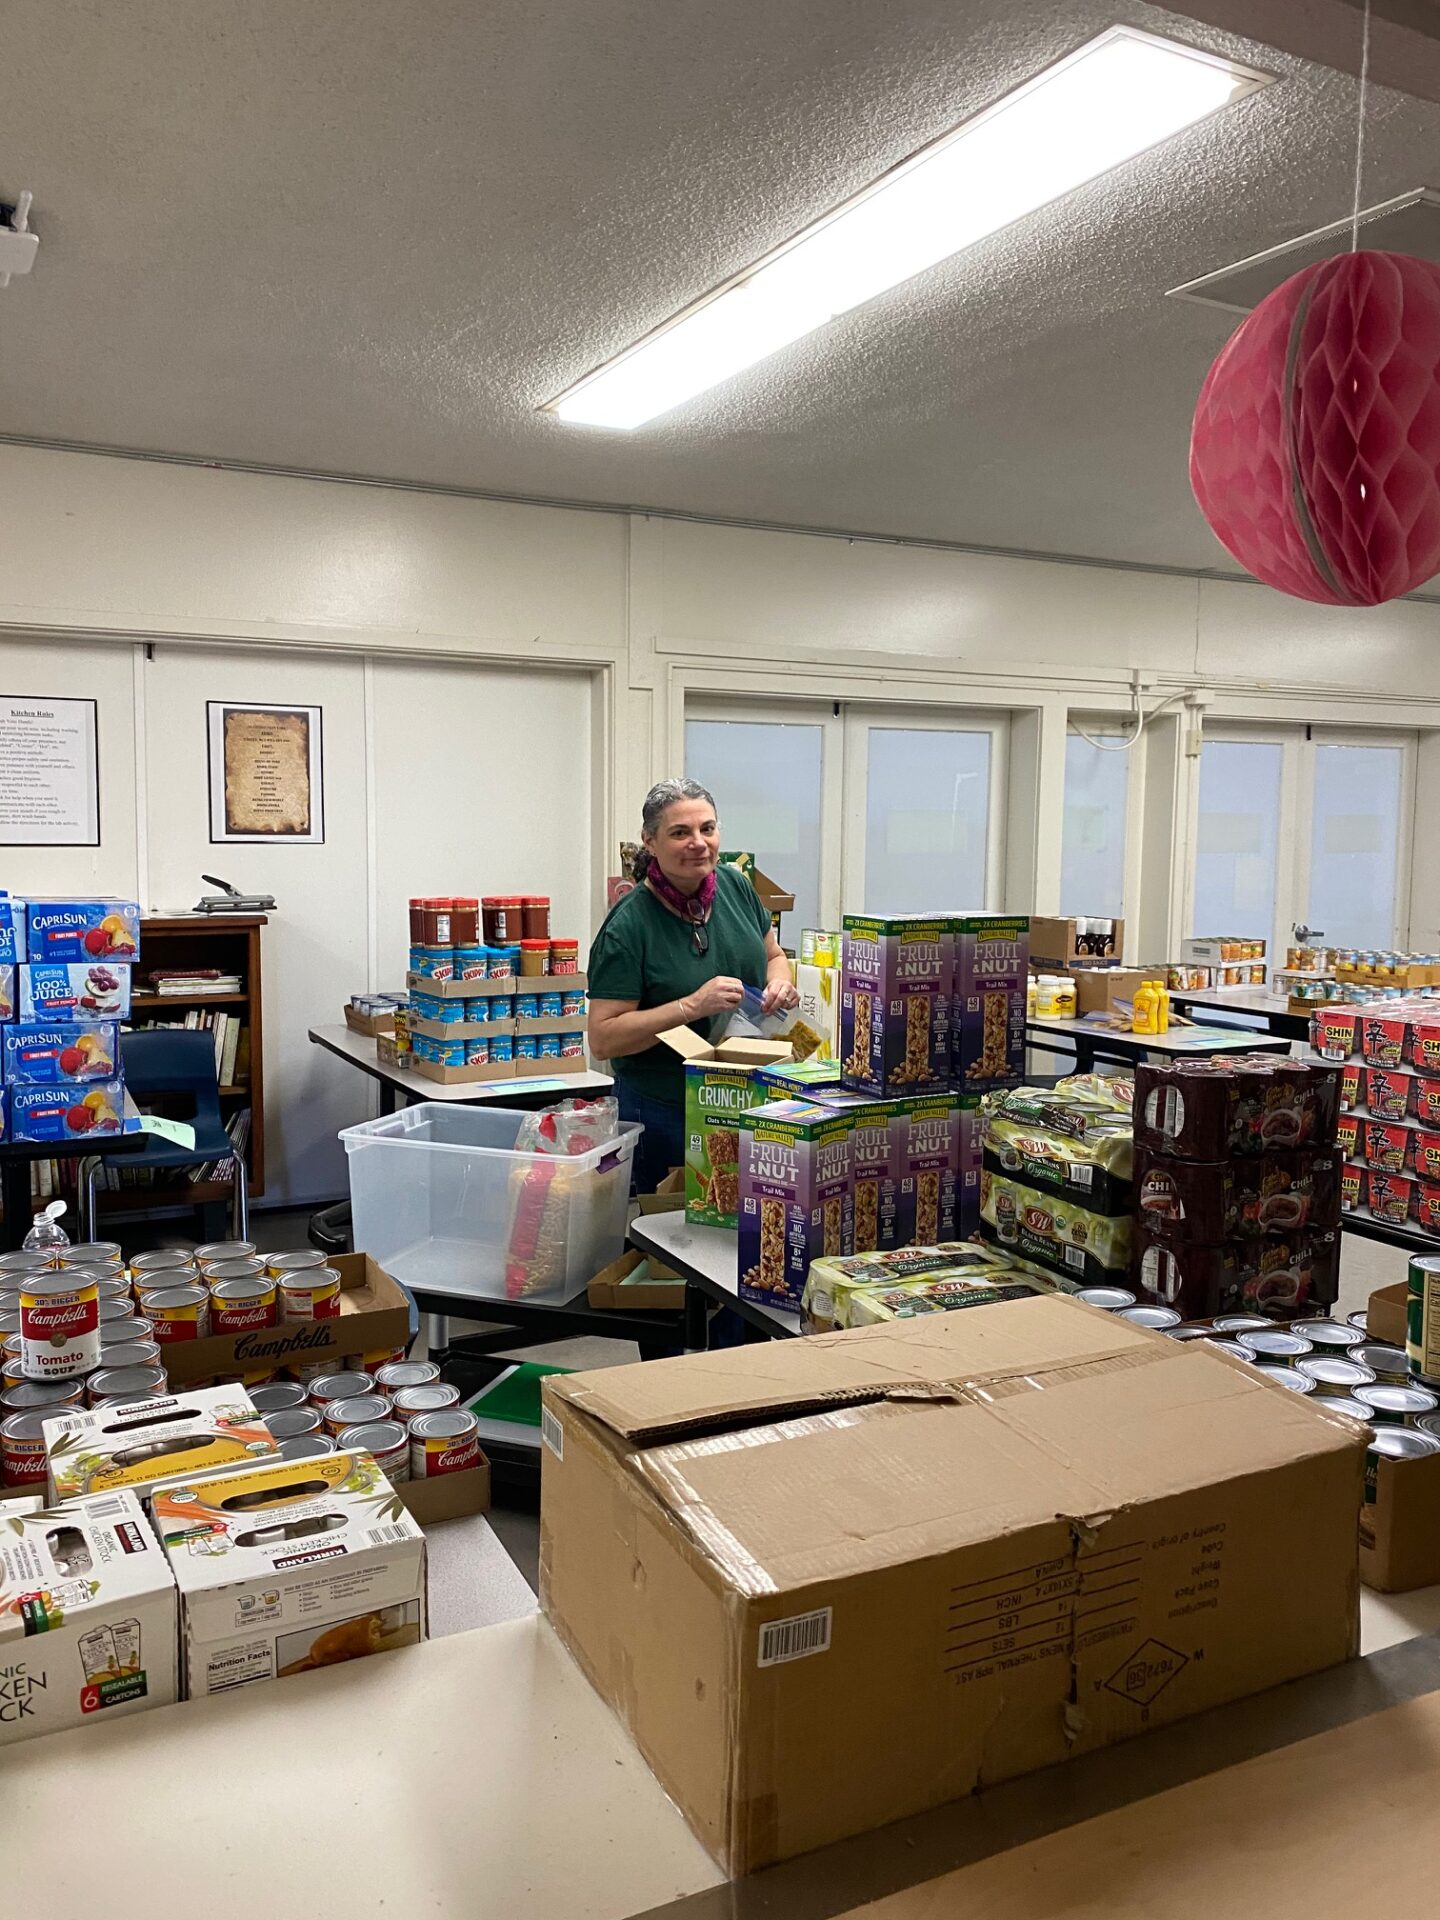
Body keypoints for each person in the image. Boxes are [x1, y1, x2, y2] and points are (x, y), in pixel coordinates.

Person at [587, 777, 798, 1193]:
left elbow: (774, 956)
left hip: (746, 1095)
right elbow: (603, 1039)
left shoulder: (736, 887)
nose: (698, 843)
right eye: (680, 832)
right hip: (663, 1109)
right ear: (650, 841)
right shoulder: (628, 926)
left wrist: (780, 986)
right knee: (668, 1237)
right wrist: (691, 1006)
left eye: (708, 828)